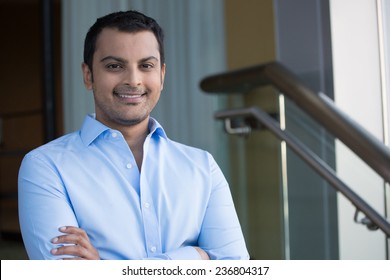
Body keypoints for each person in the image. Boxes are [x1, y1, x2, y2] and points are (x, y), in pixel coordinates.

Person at [18, 10, 249, 260]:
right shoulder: (45, 167)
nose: (133, 80)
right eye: (114, 66)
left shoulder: (203, 167)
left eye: (146, 65)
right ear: (88, 75)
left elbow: (234, 268)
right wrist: (195, 257)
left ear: (161, 75)